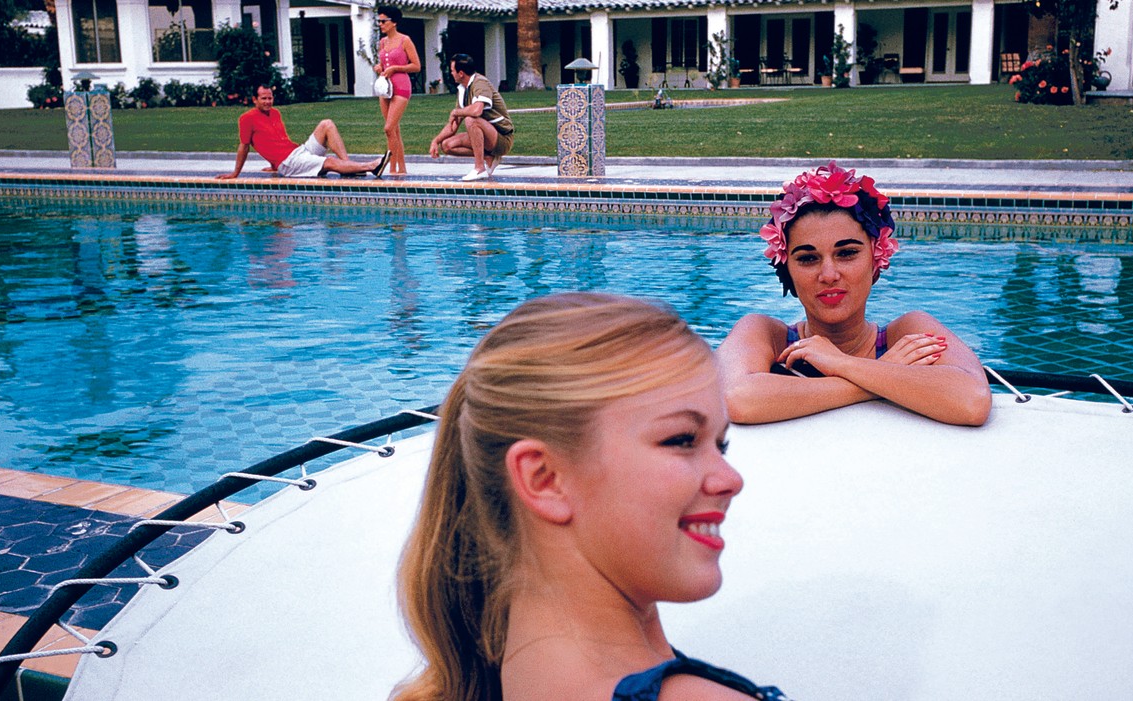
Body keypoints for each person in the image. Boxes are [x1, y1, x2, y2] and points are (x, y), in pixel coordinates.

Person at [394, 292, 789, 701]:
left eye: (720, 446)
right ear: (544, 478)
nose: (730, 479)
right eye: (682, 440)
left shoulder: (502, 680)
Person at [716, 162, 992, 426]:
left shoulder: (906, 334)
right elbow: (735, 399)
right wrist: (877, 374)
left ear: (876, 257)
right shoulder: (767, 337)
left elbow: (973, 400)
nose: (828, 274)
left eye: (846, 253)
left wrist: (841, 362)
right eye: (808, 258)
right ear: (787, 267)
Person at [217, 85, 390, 179]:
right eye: (264, 98)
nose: (268, 102)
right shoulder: (247, 118)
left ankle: (348, 166)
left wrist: (271, 165)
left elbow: (274, 141)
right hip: (289, 162)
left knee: (326, 124)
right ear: (254, 100)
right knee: (328, 161)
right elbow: (244, 147)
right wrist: (235, 173)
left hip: (297, 151)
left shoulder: (275, 113)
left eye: (270, 98)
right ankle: (371, 167)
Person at [428, 53, 514, 182]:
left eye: (452, 70)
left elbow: (476, 110)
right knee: (447, 145)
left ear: (461, 73)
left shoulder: (480, 83)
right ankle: (489, 157)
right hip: (486, 136)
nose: (451, 73)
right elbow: (453, 126)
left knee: (471, 119)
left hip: (502, 138)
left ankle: (479, 168)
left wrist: (457, 112)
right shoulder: (463, 90)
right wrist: (436, 141)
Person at [373, 6, 420, 176]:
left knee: (388, 128)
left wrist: (395, 68)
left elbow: (416, 66)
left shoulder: (405, 40)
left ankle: (392, 168)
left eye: (384, 21)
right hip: (386, 87)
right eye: (379, 21)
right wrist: (380, 67)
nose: (380, 24)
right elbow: (384, 64)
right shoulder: (382, 42)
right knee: (393, 130)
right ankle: (401, 168)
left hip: (401, 86)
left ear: (394, 22)